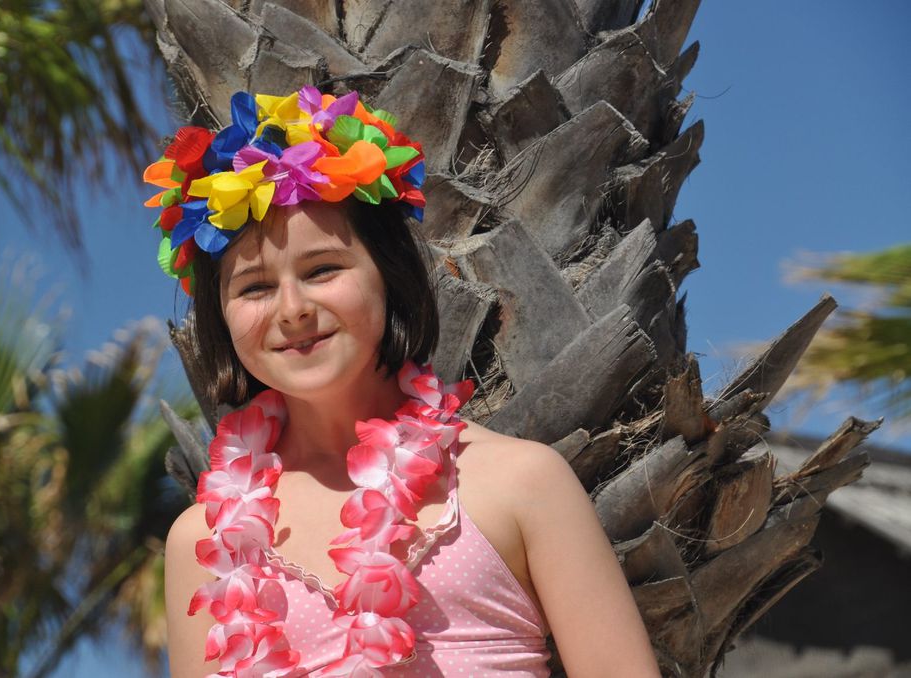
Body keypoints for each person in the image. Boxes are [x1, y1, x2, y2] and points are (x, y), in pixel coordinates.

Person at [150, 86, 661, 677]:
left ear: (389, 276)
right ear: (221, 318)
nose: (291, 308)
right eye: (255, 288)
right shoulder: (203, 543)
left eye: (322, 270)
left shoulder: (520, 484)